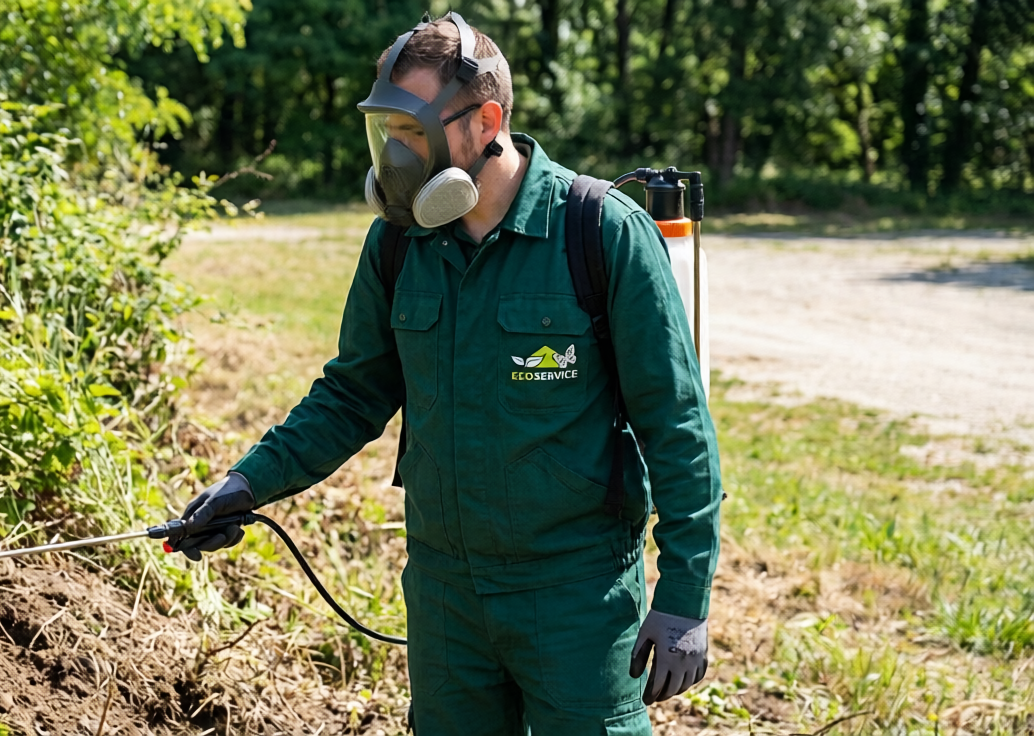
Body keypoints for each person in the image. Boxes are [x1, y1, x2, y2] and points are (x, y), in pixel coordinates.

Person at [171, 12, 722, 735]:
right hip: (445, 597)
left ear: (484, 120)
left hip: (576, 598)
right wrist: (249, 482)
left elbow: (675, 420)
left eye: (410, 132)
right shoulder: (399, 245)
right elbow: (352, 394)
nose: (393, 156)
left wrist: (684, 595)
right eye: (385, 133)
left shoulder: (600, 232)